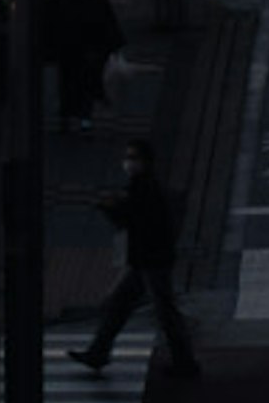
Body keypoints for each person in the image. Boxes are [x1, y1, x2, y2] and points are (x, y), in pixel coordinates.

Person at [80, 140, 200, 378]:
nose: (129, 163)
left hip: (151, 260)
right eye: (128, 157)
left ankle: (185, 362)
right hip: (147, 259)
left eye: (133, 158)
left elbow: (130, 221)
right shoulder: (143, 186)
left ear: (145, 162)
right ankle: (98, 352)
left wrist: (110, 208)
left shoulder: (144, 188)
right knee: (121, 305)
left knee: (164, 311)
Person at [46, 0, 124, 132]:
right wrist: (112, 42)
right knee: (86, 80)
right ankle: (85, 119)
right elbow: (105, 15)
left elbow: (49, 16)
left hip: (65, 45)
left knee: (66, 80)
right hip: (89, 45)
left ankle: (65, 117)